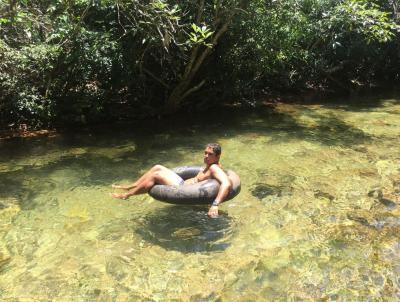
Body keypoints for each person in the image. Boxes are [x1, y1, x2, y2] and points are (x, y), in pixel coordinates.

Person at [111, 143, 231, 217]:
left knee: (155, 175)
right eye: (205, 153)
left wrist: (215, 205)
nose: (206, 156)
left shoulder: (215, 168)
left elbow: (226, 183)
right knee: (157, 167)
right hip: (184, 184)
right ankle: (131, 186)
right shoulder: (210, 164)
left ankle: (128, 195)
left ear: (217, 156)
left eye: (209, 154)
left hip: (183, 188)